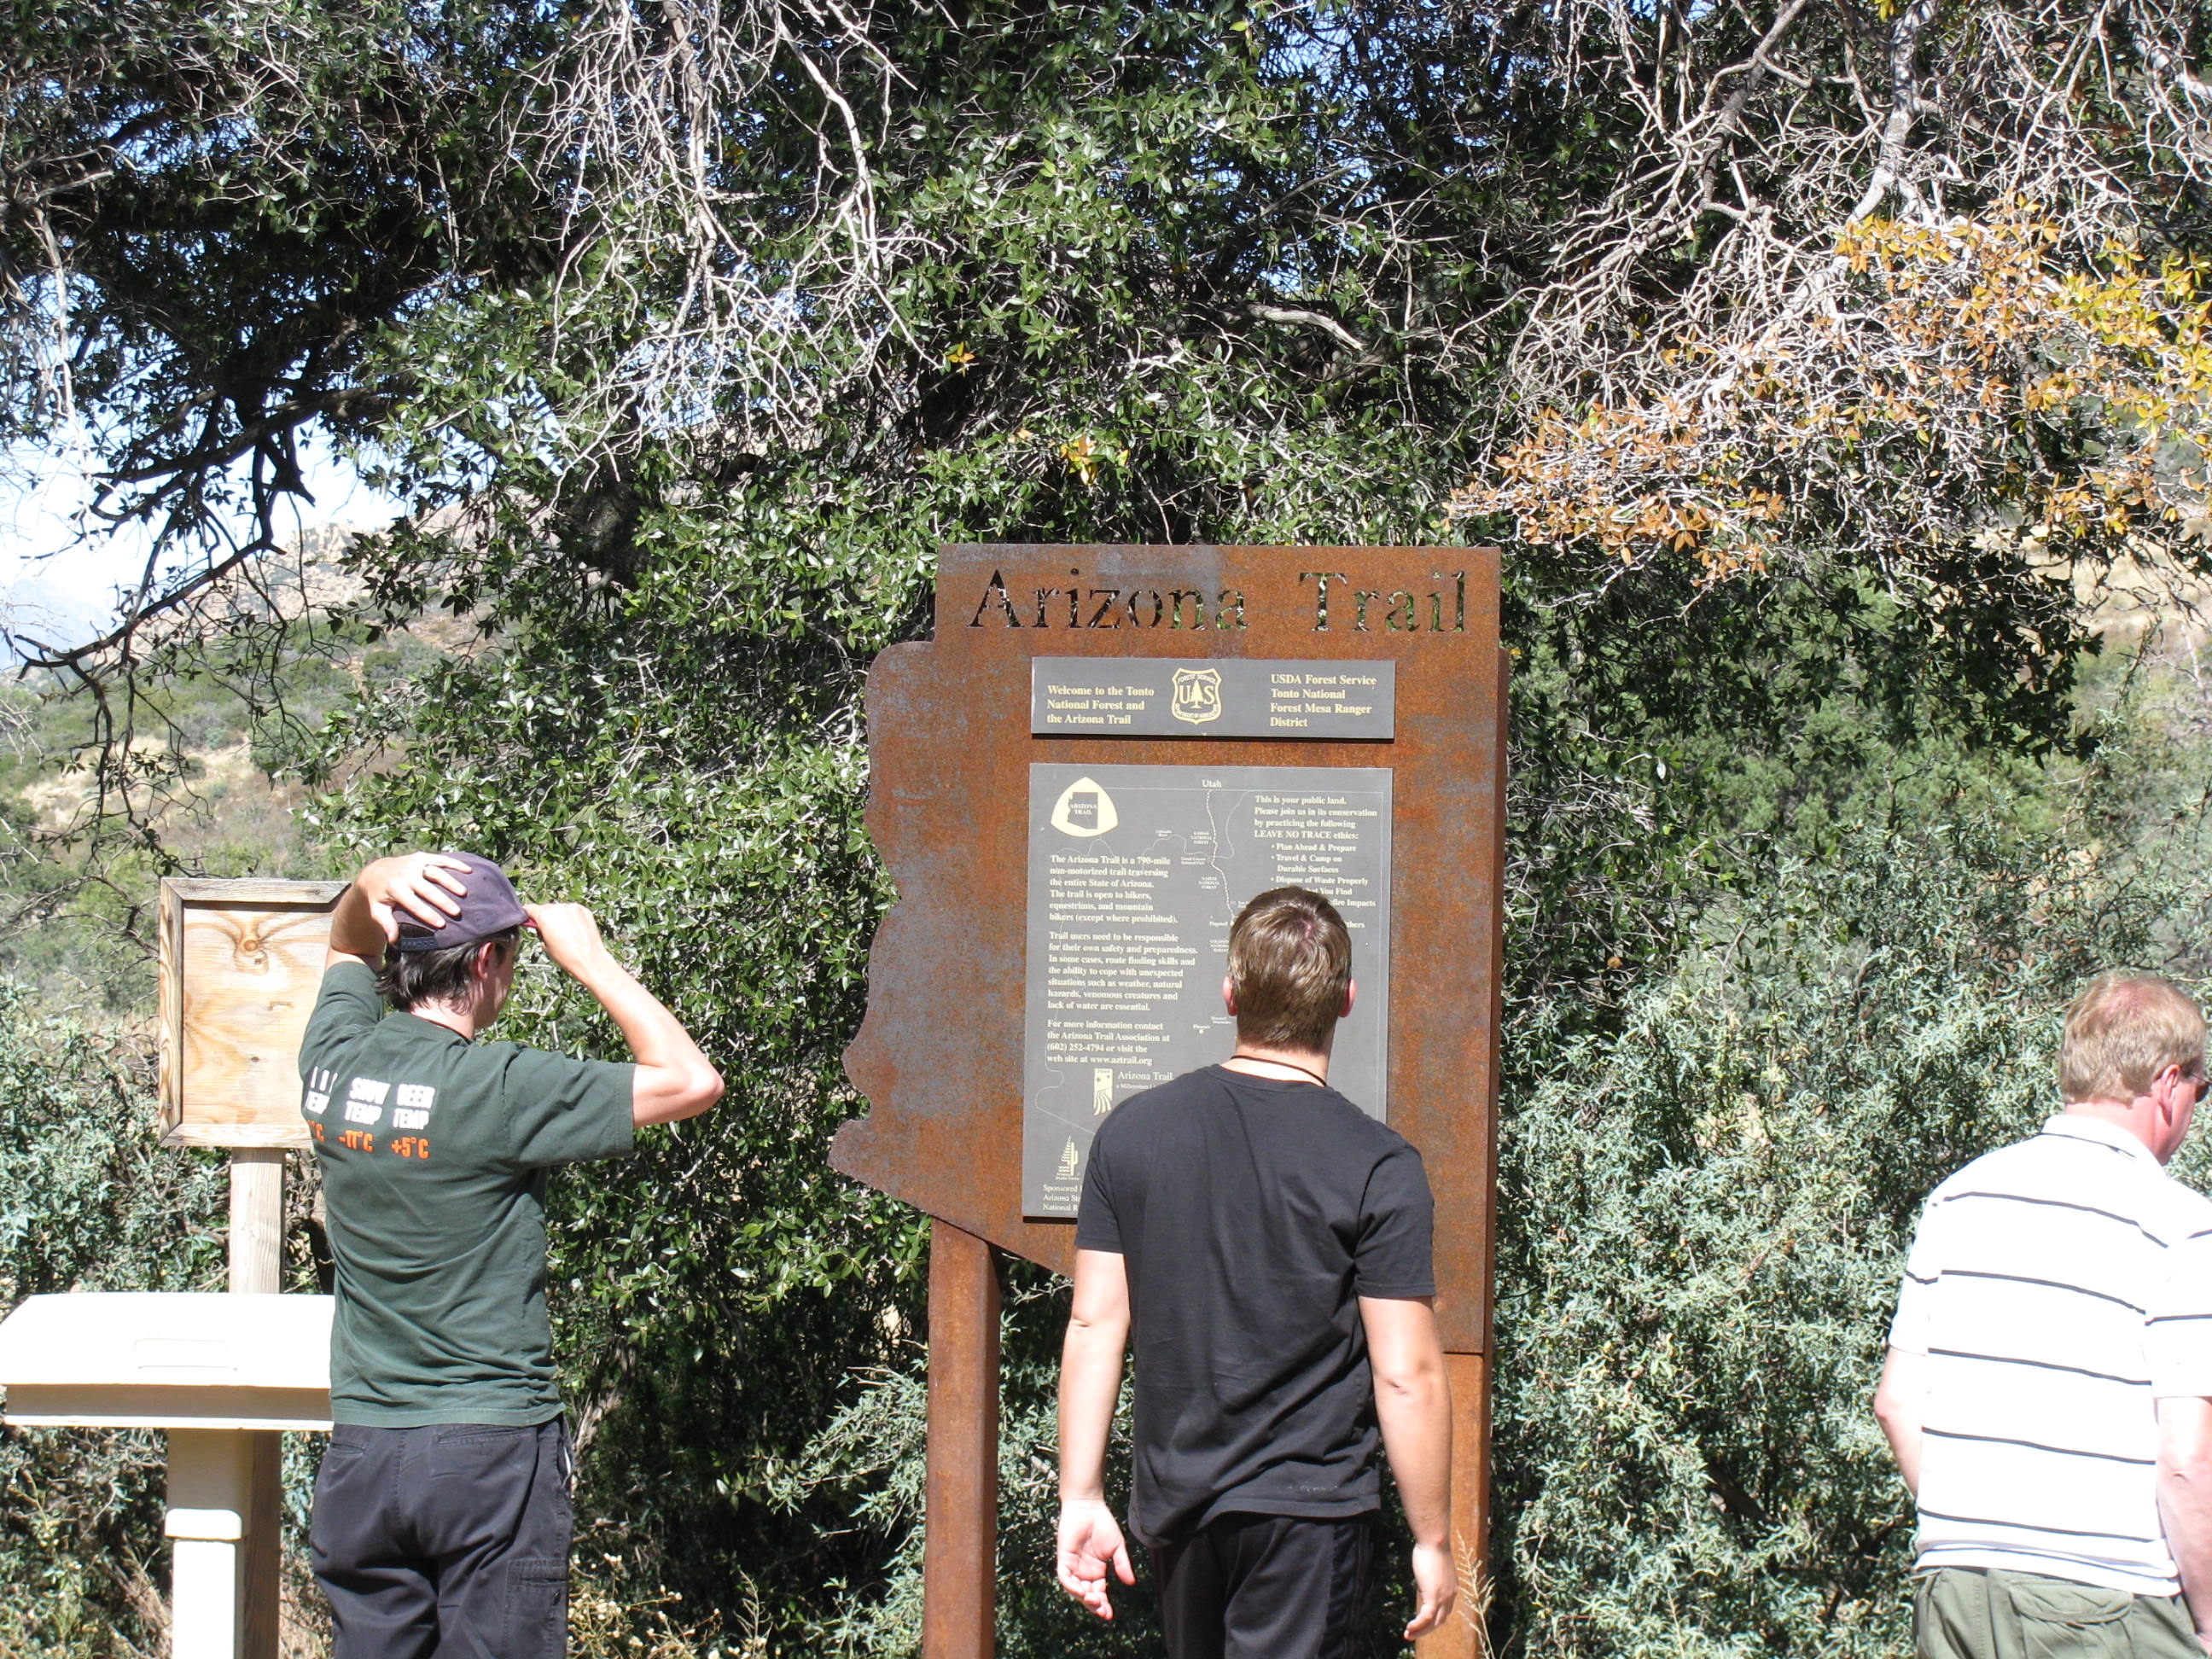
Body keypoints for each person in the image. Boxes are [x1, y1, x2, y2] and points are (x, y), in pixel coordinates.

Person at [299, 851, 722, 1659]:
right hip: (487, 1450)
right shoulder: (498, 1086)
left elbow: (346, 946)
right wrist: (591, 960)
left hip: (363, 1451)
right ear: (487, 961)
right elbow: (690, 1081)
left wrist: (370, 881)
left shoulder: (333, 1059)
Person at [1054, 885, 1456, 1658]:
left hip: (1180, 1508)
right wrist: (1432, 1538)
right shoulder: (1379, 1166)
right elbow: (1406, 1373)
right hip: (1309, 1516)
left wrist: (1081, 1495)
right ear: (1345, 1000)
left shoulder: (1132, 1134)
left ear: (1231, 993)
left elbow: (1095, 1321)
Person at [1876, 969, 2212, 1659]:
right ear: (2168, 1084)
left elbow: (1896, 1404)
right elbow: (2185, 1461)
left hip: (1955, 1592)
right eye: (2200, 1091)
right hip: (2108, 1603)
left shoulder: (1959, 1198)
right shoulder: (2182, 1226)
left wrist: (1975, 1524)